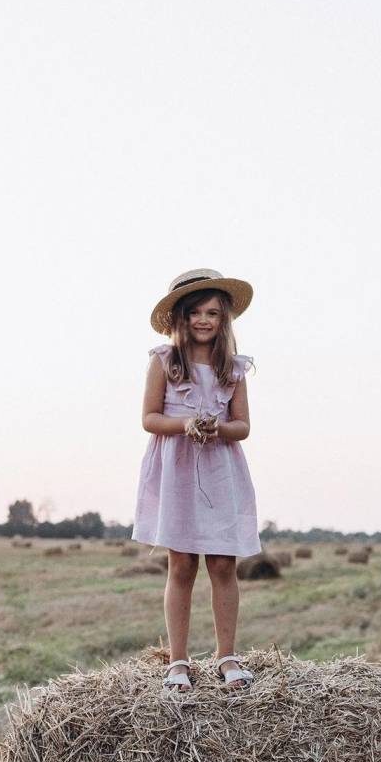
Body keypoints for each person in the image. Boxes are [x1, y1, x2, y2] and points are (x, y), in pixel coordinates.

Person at [131, 268, 262, 694]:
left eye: (212, 313)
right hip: (179, 471)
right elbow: (149, 418)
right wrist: (187, 423)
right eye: (195, 313)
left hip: (221, 470)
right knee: (182, 564)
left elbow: (242, 426)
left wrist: (218, 429)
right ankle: (178, 661)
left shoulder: (234, 369)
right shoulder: (164, 362)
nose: (204, 321)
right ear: (179, 320)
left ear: (224, 320)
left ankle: (227, 656)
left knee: (223, 564)